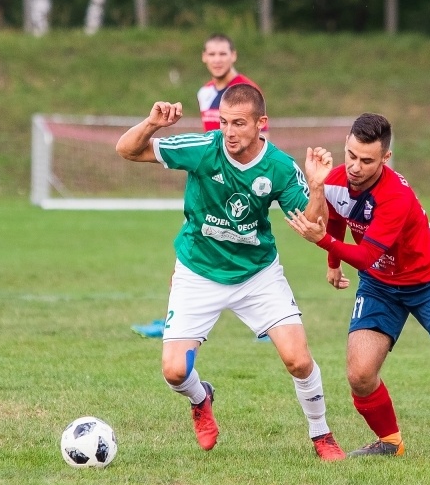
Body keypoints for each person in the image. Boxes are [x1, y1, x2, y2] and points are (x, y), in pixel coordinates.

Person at [115, 83, 345, 460]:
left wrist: (318, 187)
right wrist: (152, 123)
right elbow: (126, 149)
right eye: (224, 122)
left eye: (239, 123)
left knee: (298, 360)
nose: (229, 131)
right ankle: (200, 398)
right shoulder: (204, 149)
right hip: (198, 271)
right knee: (174, 372)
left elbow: (313, 228)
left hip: (257, 274)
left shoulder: (280, 168)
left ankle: (321, 434)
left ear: (261, 124)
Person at [285, 112, 430, 458]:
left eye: (366, 160)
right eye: (350, 155)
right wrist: (333, 262)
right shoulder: (337, 179)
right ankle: (390, 443)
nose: (354, 166)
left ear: (385, 158)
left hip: (428, 281)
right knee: (360, 374)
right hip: (379, 286)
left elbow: (366, 255)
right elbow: (336, 217)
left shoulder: (395, 195)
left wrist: (323, 242)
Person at [198, 33, 265, 132]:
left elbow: (262, 136)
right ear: (204, 57)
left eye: (223, 54)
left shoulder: (248, 91)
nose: (217, 60)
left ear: (233, 56)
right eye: (212, 54)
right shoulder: (204, 92)